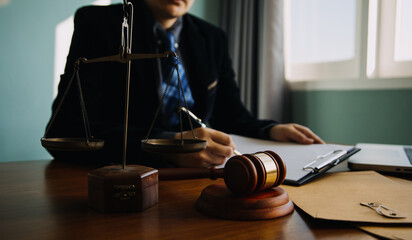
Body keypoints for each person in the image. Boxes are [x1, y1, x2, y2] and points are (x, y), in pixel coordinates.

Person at [45, 0, 324, 168]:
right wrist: (167, 146)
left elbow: (232, 115)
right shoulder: (99, 24)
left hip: (204, 176)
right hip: (130, 178)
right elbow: (66, 130)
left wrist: (271, 129)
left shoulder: (211, 37)